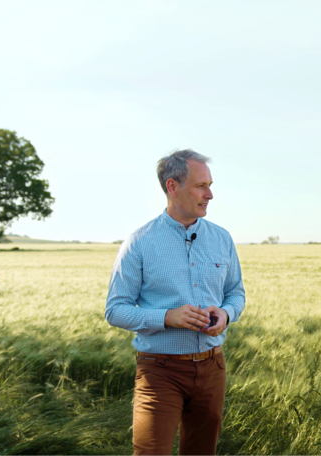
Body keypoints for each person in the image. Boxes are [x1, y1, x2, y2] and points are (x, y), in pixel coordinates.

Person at [105, 149, 246, 456]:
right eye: (201, 186)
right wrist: (168, 317)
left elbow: (236, 293)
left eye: (210, 185)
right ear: (172, 186)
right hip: (160, 371)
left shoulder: (222, 239)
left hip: (212, 367)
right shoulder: (140, 241)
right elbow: (115, 310)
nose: (210, 194)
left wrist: (225, 313)